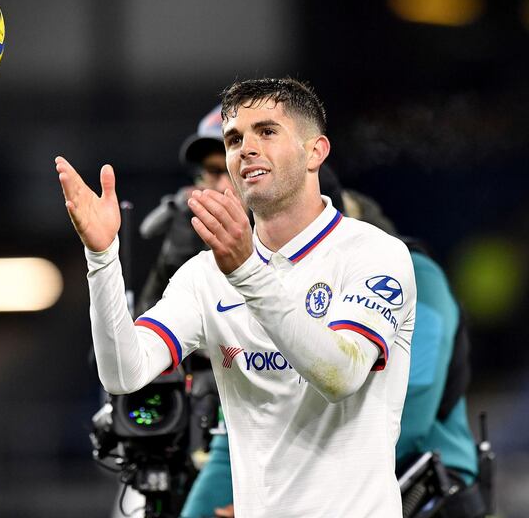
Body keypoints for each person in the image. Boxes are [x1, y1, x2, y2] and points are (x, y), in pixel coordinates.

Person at [55, 77, 416, 517]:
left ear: (315, 152)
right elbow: (123, 374)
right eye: (234, 138)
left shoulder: (374, 253)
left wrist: (246, 270)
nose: (245, 148)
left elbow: (340, 375)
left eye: (267, 132)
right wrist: (102, 257)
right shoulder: (205, 275)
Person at [181, 169, 483, 518]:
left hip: (423, 490)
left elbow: (408, 414)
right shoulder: (270, 285)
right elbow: (237, 437)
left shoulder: (413, 275)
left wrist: (290, 498)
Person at [137, 104, 231, 313]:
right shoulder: (186, 221)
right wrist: (170, 266)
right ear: (200, 176)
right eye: (214, 171)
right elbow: (145, 329)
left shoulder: (278, 233)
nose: (224, 185)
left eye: (232, 170)